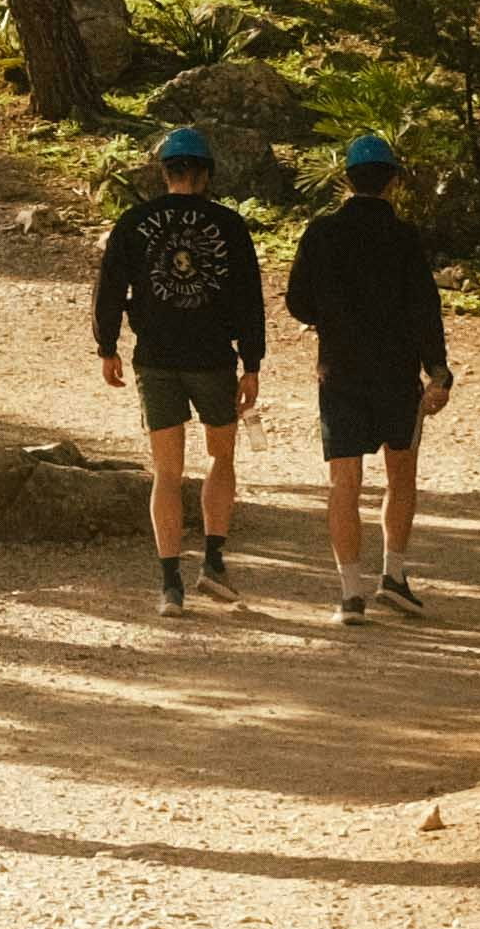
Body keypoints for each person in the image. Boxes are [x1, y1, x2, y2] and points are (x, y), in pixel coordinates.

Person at [88, 124, 263, 615]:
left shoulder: (134, 222)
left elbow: (109, 288)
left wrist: (107, 346)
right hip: (213, 359)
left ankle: (170, 585)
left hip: (156, 358)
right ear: (205, 174)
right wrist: (252, 363)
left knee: (167, 471)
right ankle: (213, 562)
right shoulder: (230, 225)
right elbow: (249, 299)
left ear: (165, 173)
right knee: (221, 457)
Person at [285, 133, 453, 625]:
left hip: (339, 370)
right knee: (401, 473)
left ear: (347, 178)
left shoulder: (321, 233)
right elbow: (425, 308)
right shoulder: (404, 236)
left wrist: (329, 319)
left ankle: (350, 594)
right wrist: (438, 371)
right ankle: (394, 576)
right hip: (397, 373)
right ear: (392, 181)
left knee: (344, 481)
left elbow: (297, 300)